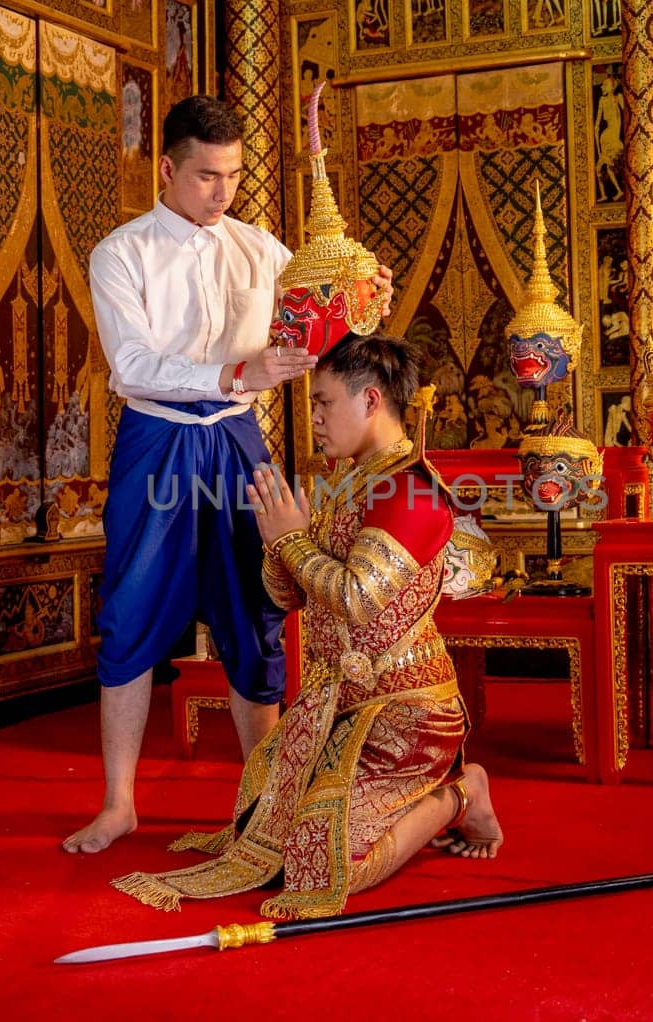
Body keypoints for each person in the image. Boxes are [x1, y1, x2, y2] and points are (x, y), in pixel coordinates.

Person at [113, 334, 503, 917]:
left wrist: (291, 539)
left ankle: (460, 791)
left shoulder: (413, 491)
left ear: (371, 401)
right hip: (336, 705)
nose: (314, 418)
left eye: (323, 404)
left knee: (329, 865)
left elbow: (354, 598)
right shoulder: (346, 481)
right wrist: (279, 543)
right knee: (260, 830)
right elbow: (290, 594)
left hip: (406, 713)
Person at [65, 96, 317, 855]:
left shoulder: (260, 248)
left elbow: (317, 311)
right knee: (131, 613)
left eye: (234, 176)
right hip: (156, 441)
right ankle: (118, 804)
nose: (223, 192)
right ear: (168, 168)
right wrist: (241, 368)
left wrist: (357, 285)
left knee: (255, 610)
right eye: (208, 176)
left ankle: (263, 800)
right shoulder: (121, 253)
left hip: (238, 441)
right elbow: (135, 364)